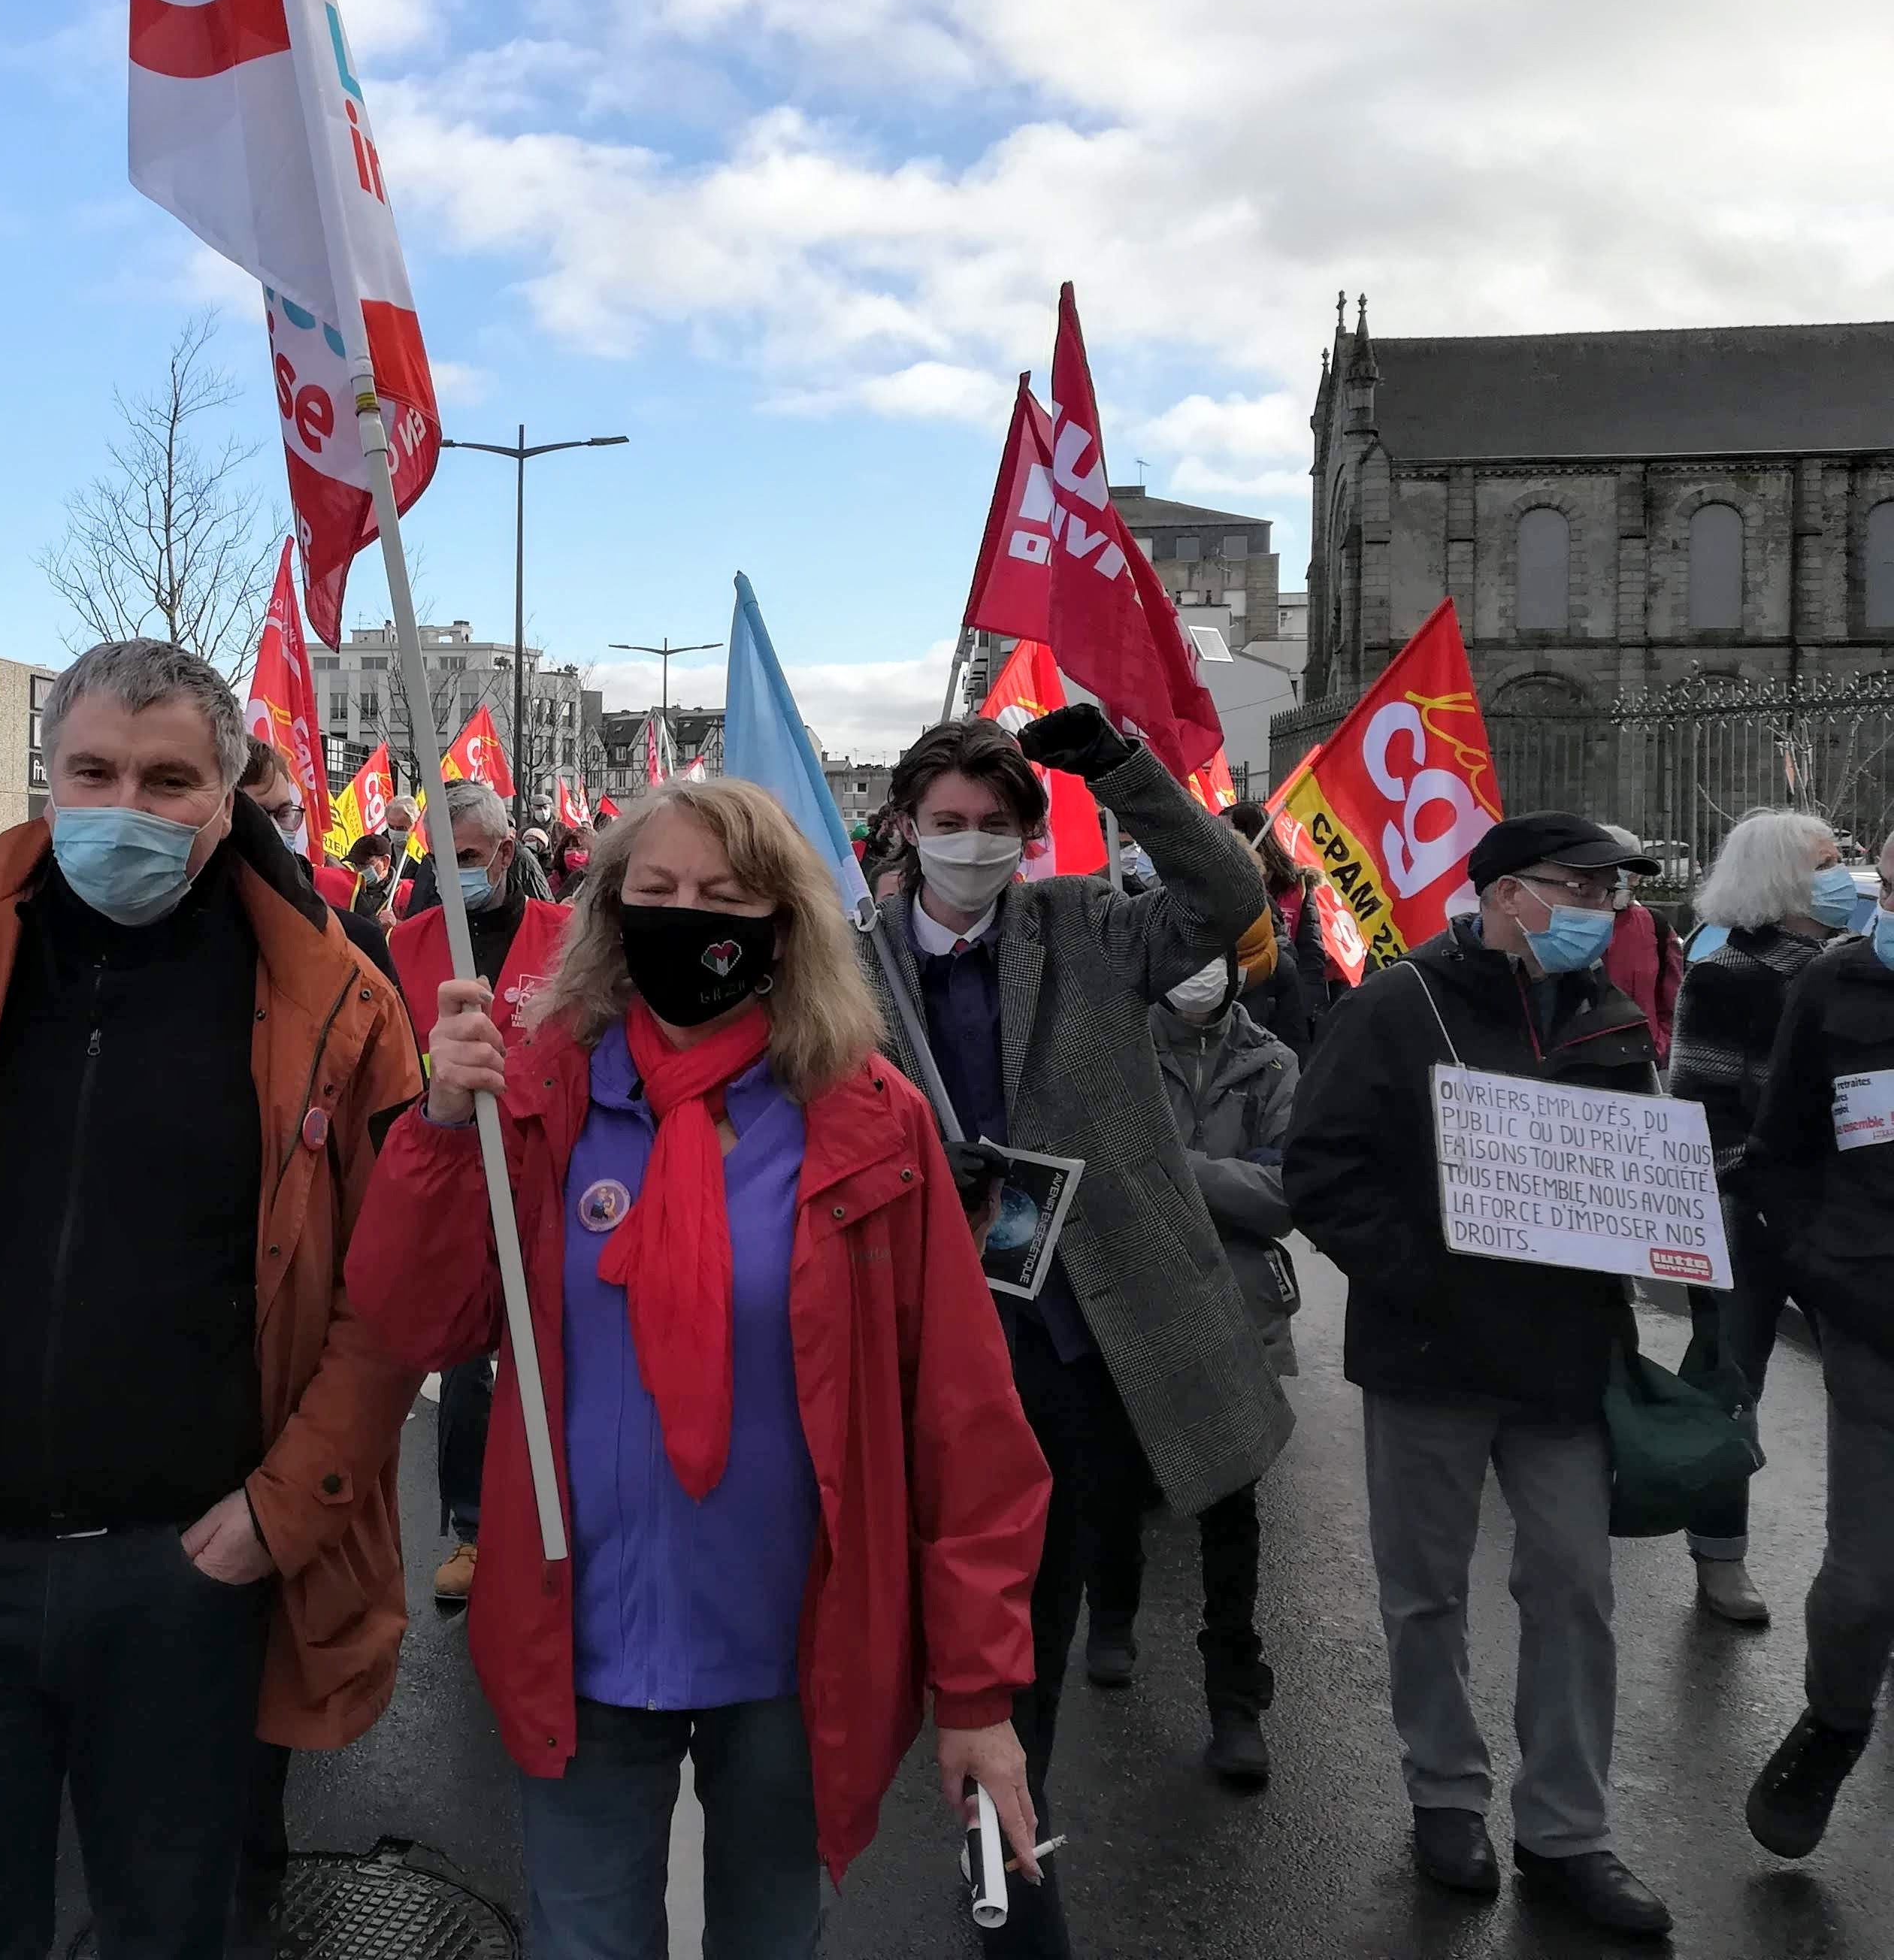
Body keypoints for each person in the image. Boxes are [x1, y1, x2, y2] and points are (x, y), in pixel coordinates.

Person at [0, 640, 426, 1960]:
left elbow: (388, 1298)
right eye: (95, 772)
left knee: (169, 1930)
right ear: (45, 780)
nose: (128, 804)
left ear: (228, 793)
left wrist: (274, 1517)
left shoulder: (333, 997)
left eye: (170, 778)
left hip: (185, 1582)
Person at [349, 778, 1048, 1953]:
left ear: (785, 923)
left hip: (795, 1643)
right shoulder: (535, 1096)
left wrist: (979, 1695)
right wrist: (434, 1129)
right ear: (610, 917)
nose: (687, 918)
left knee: (770, 1936)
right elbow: (423, 1321)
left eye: (724, 896)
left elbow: (964, 1421)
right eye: (656, 891)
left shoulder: (872, 1120)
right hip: (581, 1630)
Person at [873, 710, 1284, 1958]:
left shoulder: (1084, 928)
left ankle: (1010, 1859)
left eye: (994, 827)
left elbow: (1221, 891)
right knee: (904, 1621)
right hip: (911, 1345)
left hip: (1062, 1346)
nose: (969, 846)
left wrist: (1113, 764)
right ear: (902, 829)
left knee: (1029, 1629)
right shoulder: (846, 965)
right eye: (945, 825)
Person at [1287, 813, 1671, 1938]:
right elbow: (1321, 1167)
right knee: (1426, 1588)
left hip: (1559, 1360)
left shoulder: (1607, 1016)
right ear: (1507, 893)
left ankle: (1567, 1831)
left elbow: (1635, 1169)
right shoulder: (1398, 1007)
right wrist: (1422, 1279)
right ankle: (1444, 1796)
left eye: (1612, 892)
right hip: (1429, 1354)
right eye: (1579, 886)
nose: (1601, 909)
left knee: (1573, 1590)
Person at [1083, 951, 1299, 1787]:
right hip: (1125, 1300)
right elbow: (1094, 1170)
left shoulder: (1272, 1062)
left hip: (1231, 1311)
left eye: (1217, 954)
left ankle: (1232, 1695)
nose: (1198, 971)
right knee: (1111, 1479)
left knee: (1229, 1506)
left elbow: (1287, 1191)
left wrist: (1174, 1171)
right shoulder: (1108, 1051)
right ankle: (1109, 1614)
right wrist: (1209, 1182)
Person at [1663, 809, 1865, 1628]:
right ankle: (1718, 1559)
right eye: (1825, 860)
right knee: (1727, 1384)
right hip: (1751, 1219)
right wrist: (1761, 1191)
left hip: (1852, 1221)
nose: (1842, 872)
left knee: (1864, 1385)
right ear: (1780, 877)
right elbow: (1699, 1113)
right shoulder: (1726, 977)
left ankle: (1862, 1569)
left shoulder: (1857, 971)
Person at [1736, 814, 1894, 1861]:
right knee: (1863, 1583)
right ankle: (1834, 1725)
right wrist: (1826, 1265)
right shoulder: (1833, 987)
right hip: (1877, 1322)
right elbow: (1780, 1150)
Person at [385, 779, 573, 1609]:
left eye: (469, 857)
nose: (453, 873)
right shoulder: (407, 946)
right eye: (439, 858)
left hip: (554, 1191)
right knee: (465, 1370)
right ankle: (469, 1530)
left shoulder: (568, 939)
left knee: (555, 1364)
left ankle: (555, 1525)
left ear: (504, 853)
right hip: (457, 1184)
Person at [242, 739, 396, 986]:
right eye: (257, 815)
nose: (273, 831)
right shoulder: (171, 928)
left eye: (284, 814)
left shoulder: (356, 937)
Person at [1222, 801, 1336, 1050]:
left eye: (1228, 830)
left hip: (1285, 1002)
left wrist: (1309, 1006)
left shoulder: (1297, 886)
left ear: (1249, 834)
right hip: (1240, 998)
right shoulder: (1219, 886)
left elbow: (1310, 951)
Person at [1598, 825, 1684, 1064]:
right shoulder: (1564, 926)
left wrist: (1659, 1046)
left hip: (1645, 1062)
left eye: (1633, 873)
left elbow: (1673, 1004)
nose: (1628, 880)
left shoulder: (1655, 926)